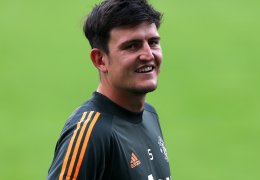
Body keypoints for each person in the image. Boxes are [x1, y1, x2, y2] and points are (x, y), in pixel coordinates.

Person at [47, 0, 171, 179]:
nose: (148, 55)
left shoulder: (149, 115)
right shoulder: (92, 132)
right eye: (132, 46)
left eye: (153, 42)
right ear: (100, 60)